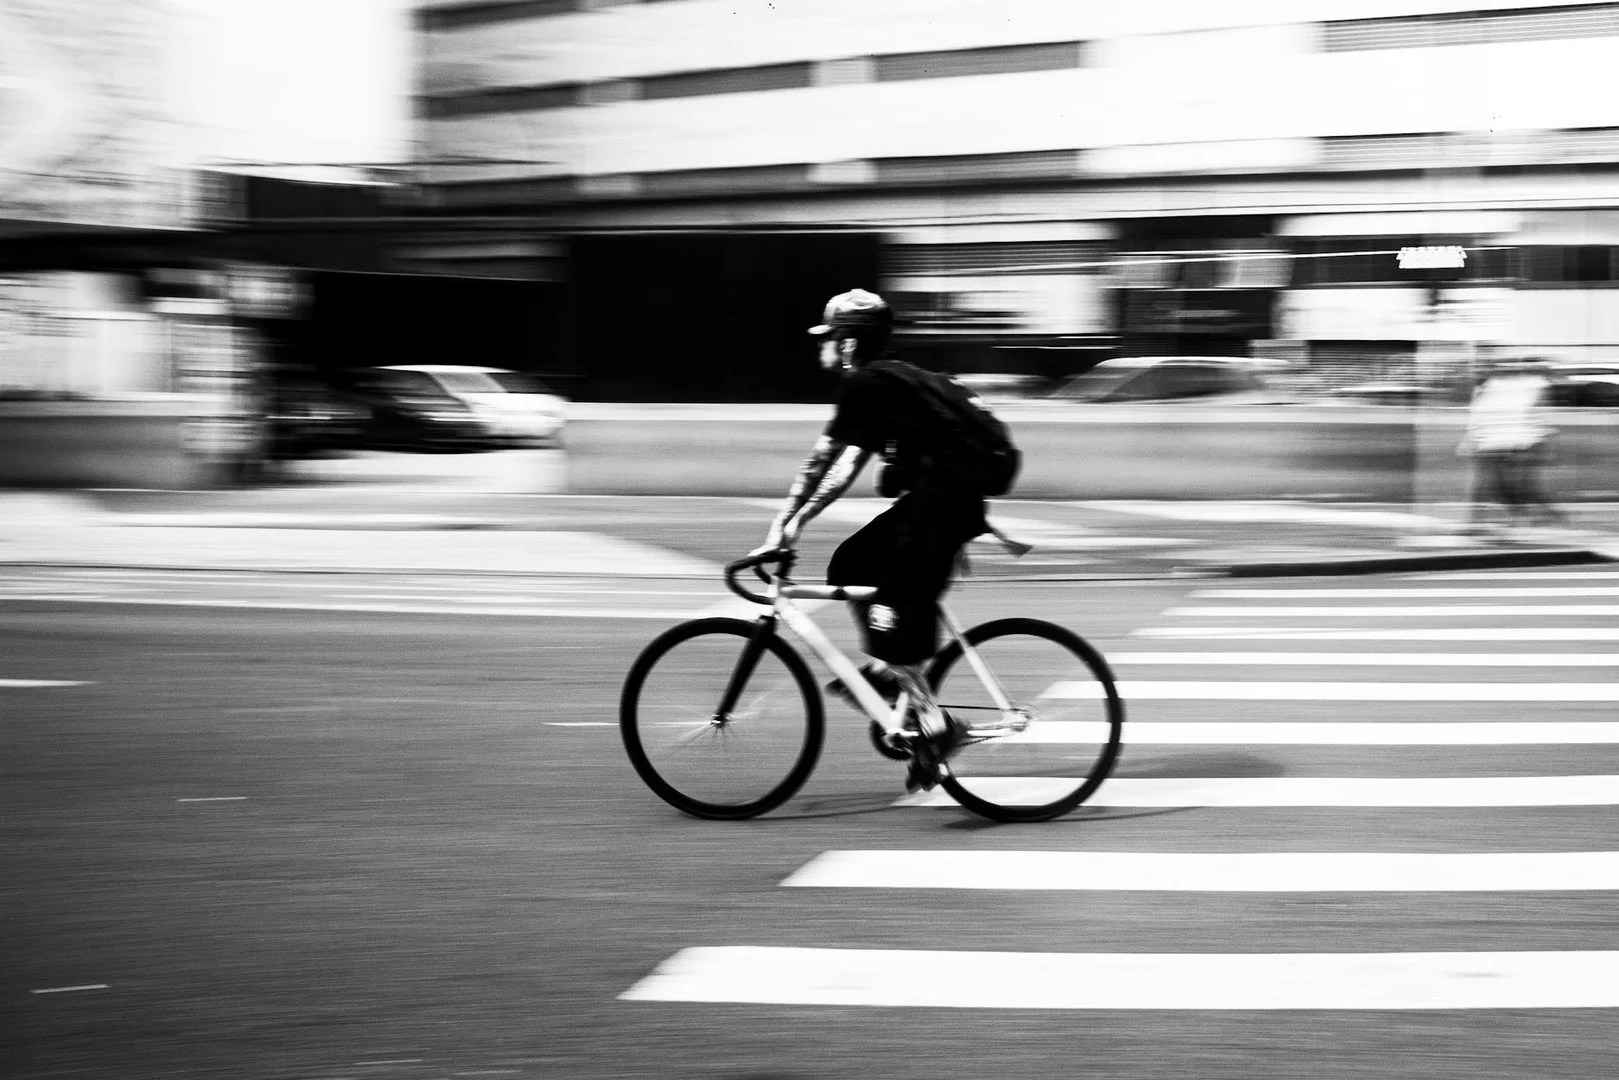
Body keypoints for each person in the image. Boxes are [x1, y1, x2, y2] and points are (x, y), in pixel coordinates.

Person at [749, 288, 991, 794]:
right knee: (851, 563)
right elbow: (843, 470)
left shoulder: (867, 384)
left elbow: (818, 461)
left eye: (830, 337)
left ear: (850, 343)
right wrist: (799, 521)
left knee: (895, 608)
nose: (823, 347)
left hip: (937, 511)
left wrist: (781, 526)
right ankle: (888, 670)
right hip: (937, 507)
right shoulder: (886, 388)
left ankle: (935, 726)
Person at [1461, 354, 1567, 535]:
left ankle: (1535, 515)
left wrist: (1543, 440)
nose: (1476, 373)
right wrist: (1469, 440)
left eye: (1481, 369)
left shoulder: (1515, 387)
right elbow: (1477, 419)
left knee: (1511, 487)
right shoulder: (1483, 390)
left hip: (1517, 443)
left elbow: (1535, 412)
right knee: (1494, 486)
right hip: (1492, 444)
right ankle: (1481, 522)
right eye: (1475, 369)